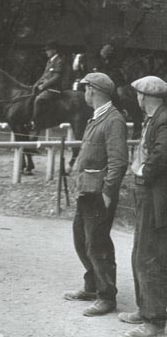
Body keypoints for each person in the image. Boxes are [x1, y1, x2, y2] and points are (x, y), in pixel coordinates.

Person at [64, 72, 128, 317]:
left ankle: (106, 296)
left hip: (99, 194)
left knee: (97, 245)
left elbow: (118, 162)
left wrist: (108, 193)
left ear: (93, 90)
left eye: (86, 88)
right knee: (81, 239)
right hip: (87, 191)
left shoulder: (113, 120)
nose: (84, 93)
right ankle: (92, 286)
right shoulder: (98, 117)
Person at [118, 76, 167, 337]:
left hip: (154, 194)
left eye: (137, 94)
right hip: (146, 193)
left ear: (144, 97)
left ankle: (155, 320)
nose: (136, 98)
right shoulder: (154, 119)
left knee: (150, 256)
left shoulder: (163, 119)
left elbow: (162, 154)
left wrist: (142, 172)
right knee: (140, 251)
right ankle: (144, 308)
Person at [31, 40, 63, 129]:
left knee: (38, 99)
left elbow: (56, 77)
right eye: (46, 50)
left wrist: (43, 85)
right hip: (45, 88)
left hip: (54, 89)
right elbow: (44, 75)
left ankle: (35, 123)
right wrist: (35, 84)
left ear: (54, 50)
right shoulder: (49, 61)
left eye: (48, 50)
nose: (46, 52)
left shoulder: (59, 61)